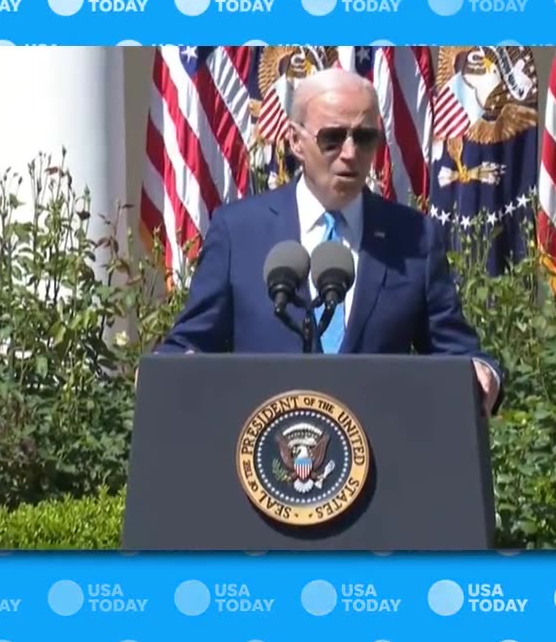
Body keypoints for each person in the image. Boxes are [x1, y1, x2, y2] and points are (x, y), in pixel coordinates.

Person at [153, 68, 502, 415]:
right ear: (295, 141)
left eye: (364, 138)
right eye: (332, 138)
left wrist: (482, 372)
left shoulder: (414, 238)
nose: (350, 153)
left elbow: (455, 351)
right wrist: (167, 370)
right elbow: (191, 342)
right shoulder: (239, 232)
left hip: (380, 453)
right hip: (263, 450)